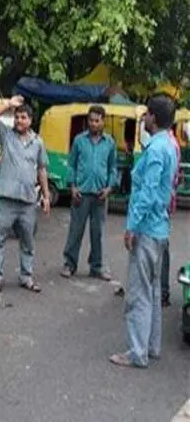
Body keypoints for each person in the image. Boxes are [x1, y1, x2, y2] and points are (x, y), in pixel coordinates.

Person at [109, 94, 178, 369]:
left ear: (154, 117)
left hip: (147, 228)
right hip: (159, 228)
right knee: (151, 290)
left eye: (146, 114)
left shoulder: (158, 149)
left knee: (138, 292)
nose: (143, 118)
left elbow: (147, 193)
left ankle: (137, 352)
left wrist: (132, 227)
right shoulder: (167, 145)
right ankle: (151, 345)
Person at [0, 95, 52, 293]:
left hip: (28, 201)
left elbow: (41, 170)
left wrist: (46, 196)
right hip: (7, 199)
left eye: (23, 117)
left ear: (31, 120)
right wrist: (8, 104)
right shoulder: (6, 136)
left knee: (28, 241)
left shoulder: (38, 142)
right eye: (17, 117)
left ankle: (26, 277)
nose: (19, 121)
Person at [60, 105, 117, 281]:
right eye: (91, 120)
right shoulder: (79, 140)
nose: (93, 124)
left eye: (97, 120)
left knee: (97, 232)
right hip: (81, 194)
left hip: (100, 195)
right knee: (75, 231)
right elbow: (71, 164)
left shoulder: (110, 143)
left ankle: (97, 267)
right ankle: (69, 264)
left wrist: (109, 188)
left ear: (103, 121)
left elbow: (112, 168)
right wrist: (72, 187)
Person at [159, 126, 181, 307]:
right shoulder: (170, 144)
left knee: (160, 247)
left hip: (160, 206)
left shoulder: (166, 145)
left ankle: (162, 291)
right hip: (164, 203)